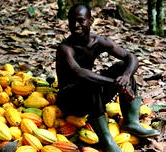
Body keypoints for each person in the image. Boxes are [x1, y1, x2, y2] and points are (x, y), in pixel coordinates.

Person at [55, 4, 160, 152]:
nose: (76, 25)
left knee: (122, 67)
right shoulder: (65, 48)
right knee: (89, 81)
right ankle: (107, 142)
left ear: (91, 21)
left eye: (80, 21)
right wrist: (117, 84)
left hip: (90, 97)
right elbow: (79, 72)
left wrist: (125, 76)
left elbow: (131, 57)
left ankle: (131, 121)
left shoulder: (98, 41)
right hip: (69, 101)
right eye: (72, 21)